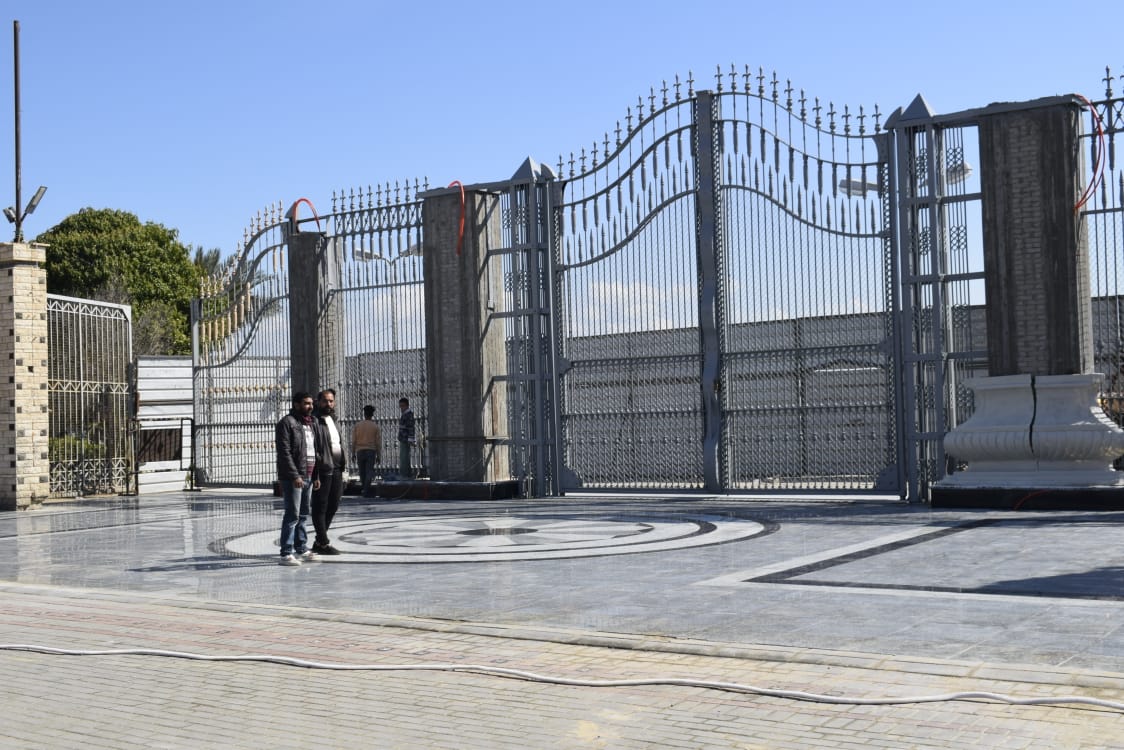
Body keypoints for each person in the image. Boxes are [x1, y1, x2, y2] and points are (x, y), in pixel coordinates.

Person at [275, 391, 322, 566]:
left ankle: (301, 548)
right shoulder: (287, 423)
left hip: (309, 474)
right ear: (296, 404)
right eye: (306, 403)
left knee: (303, 514)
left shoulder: (312, 423)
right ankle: (286, 553)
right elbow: (284, 452)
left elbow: (315, 451)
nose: (310, 406)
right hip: (294, 477)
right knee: (292, 514)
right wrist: (295, 475)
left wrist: (315, 476)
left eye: (311, 403)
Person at [312, 388, 346, 555]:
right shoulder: (314, 421)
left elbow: (337, 442)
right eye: (325, 401)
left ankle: (320, 540)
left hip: (337, 468)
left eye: (331, 401)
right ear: (318, 402)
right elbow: (313, 446)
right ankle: (323, 542)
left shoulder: (334, 419)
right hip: (323, 469)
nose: (328, 404)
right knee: (320, 506)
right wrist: (317, 468)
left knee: (333, 504)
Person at [352, 404, 382, 496]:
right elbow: (378, 443)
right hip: (371, 450)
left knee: (362, 471)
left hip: (360, 450)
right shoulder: (375, 426)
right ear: (372, 414)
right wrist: (379, 455)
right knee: (369, 471)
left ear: (364, 414)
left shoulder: (358, 425)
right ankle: (366, 490)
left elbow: (353, 441)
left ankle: (364, 488)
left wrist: (353, 453)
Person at [397, 397, 415, 478]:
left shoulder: (408, 415)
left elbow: (411, 428)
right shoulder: (405, 414)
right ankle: (407, 474)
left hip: (405, 439)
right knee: (405, 457)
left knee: (404, 457)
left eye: (403, 406)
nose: (401, 408)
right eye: (400, 406)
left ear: (407, 406)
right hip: (403, 438)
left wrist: (411, 439)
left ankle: (404, 475)